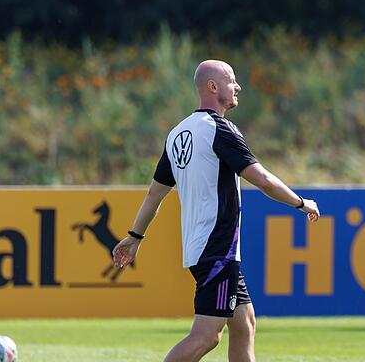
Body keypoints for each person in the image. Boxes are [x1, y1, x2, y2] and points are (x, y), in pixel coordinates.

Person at [112, 60, 320, 362]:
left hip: (206, 249)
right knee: (207, 337)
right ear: (213, 87)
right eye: (232, 80)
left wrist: (135, 236)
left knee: (245, 324)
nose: (238, 87)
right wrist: (301, 203)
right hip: (217, 249)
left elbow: (154, 196)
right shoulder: (220, 129)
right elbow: (261, 179)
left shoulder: (177, 134)